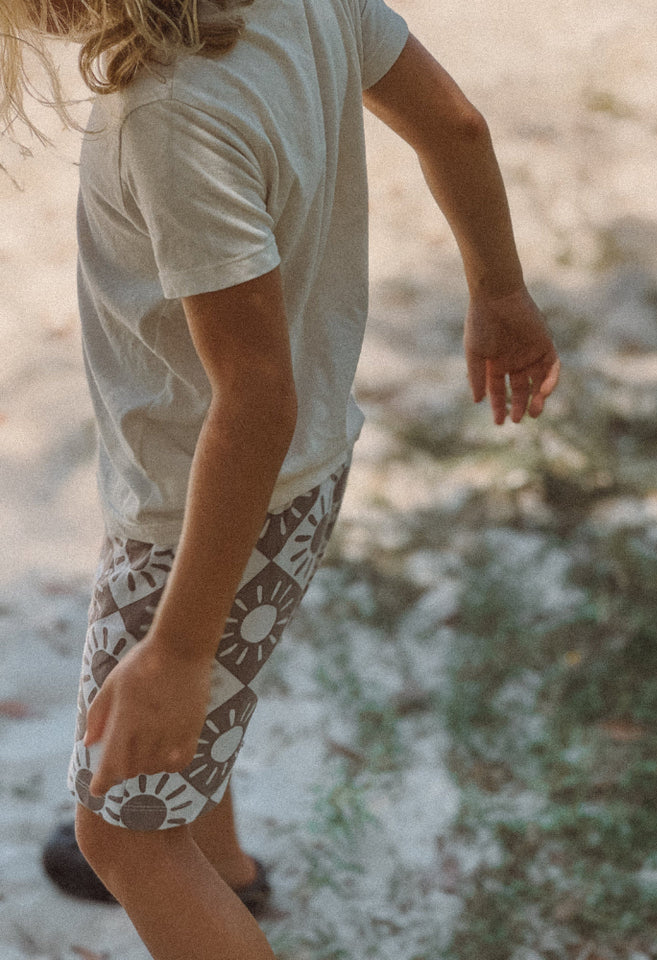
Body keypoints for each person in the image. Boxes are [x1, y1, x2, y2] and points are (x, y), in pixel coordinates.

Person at [6, 0, 560, 957]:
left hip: (201, 499)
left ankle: (182, 857)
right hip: (295, 479)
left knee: (122, 833)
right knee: (191, 711)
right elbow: (455, 124)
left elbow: (255, 396)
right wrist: (501, 290)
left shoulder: (167, 109)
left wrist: (175, 652)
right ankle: (226, 872)